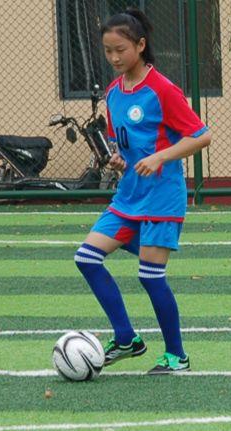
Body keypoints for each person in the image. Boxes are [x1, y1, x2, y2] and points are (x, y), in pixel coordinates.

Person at [74, 8, 211, 374]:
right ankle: (126, 339)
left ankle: (176, 356)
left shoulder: (162, 89)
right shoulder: (113, 93)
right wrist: (120, 159)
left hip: (162, 198)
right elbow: (126, 146)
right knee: (86, 258)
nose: (114, 57)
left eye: (120, 49)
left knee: (150, 276)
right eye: (108, 51)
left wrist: (160, 157)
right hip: (129, 196)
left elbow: (201, 136)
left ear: (140, 45)